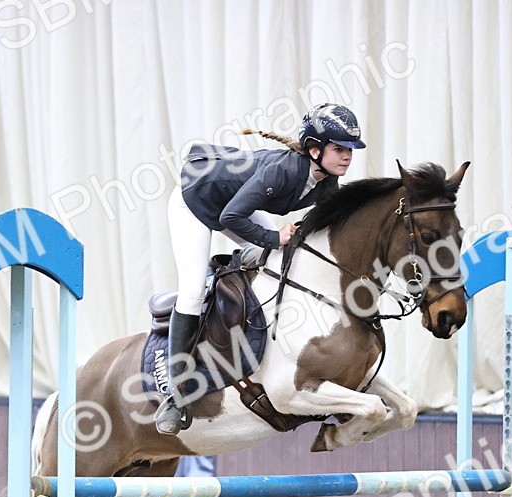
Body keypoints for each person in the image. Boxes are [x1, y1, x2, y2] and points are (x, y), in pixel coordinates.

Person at [155, 102, 367, 435]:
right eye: (339, 149)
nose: (347, 156)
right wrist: (273, 236)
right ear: (314, 149)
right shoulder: (282, 172)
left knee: (278, 261)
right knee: (194, 289)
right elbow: (230, 218)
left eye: (350, 150)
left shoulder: (326, 181)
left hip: (233, 202)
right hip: (195, 202)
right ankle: (175, 390)